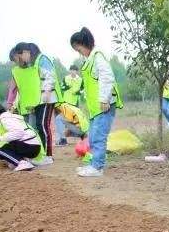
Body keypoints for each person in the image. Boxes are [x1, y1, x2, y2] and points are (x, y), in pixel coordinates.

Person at [70, 27, 123, 177]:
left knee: (99, 136)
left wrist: (104, 100)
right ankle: (94, 164)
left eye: (78, 48)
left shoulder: (98, 57)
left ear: (84, 44)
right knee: (93, 136)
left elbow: (107, 78)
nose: (79, 52)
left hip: (104, 105)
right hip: (95, 107)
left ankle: (97, 167)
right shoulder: (88, 60)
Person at [10, 42, 62, 164]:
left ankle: (48, 155)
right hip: (37, 100)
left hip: (47, 98)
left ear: (23, 53)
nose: (17, 62)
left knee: (43, 125)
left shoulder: (41, 59)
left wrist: (46, 93)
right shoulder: (29, 65)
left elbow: (50, 77)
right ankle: (39, 154)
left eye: (17, 59)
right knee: (37, 127)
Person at [0, 102, 42, 172]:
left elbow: (18, 132)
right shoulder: (10, 117)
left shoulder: (5, 120)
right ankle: (20, 160)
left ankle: (21, 162)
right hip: (32, 147)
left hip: (29, 147)